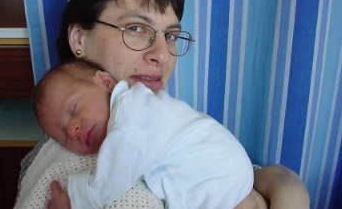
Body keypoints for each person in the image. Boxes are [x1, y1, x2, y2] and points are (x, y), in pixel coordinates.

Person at [15, 0, 309, 209]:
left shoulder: (138, 115)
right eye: (135, 28)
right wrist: (282, 188)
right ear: (79, 39)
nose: (163, 54)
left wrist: (278, 182)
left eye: (170, 35)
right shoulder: (84, 166)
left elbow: (265, 177)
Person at [33, 59, 254, 208]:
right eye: (63, 137)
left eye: (74, 108)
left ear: (105, 82)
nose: (72, 130)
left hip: (220, 180)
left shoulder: (130, 115)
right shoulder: (139, 104)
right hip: (228, 173)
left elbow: (112, 176)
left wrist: (74, 198)